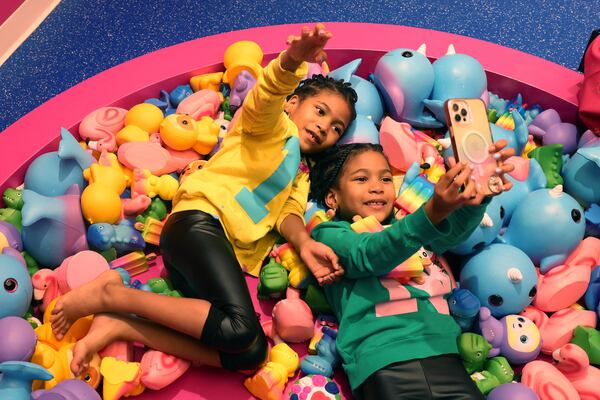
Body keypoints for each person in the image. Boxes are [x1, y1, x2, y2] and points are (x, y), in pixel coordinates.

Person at [49, 23, 357, 376]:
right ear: (293, 103)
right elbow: (264, 100)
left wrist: (303, 243)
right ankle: (112, 296)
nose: (324, 127)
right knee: (241, 328)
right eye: (320, 111)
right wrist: (290, 62)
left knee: (251, 354)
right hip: (198, 223)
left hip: (210, 256)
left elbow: (288, 213)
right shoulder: (270, 129)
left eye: (336, 127)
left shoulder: (303, 174)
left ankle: (121, 325)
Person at [308, 142, 515, 400]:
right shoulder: (330, 234)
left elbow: (451, 230)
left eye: (385, 178)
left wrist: (478, 195)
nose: (377, 186)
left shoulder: (409, 225)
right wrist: (430, 213)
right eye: (361, 178)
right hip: (383, 356)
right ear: (332, 198)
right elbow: (368, 254)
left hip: (443, 352)